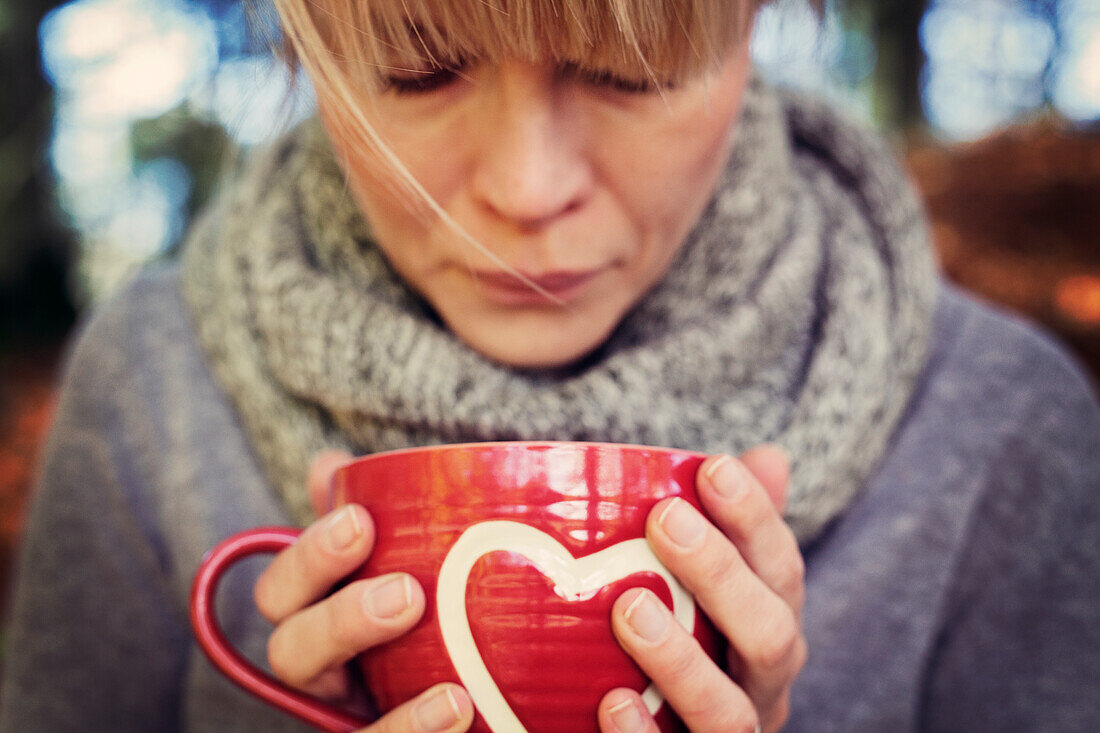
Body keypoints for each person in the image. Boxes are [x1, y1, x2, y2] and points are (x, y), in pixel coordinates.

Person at [2, 0, 1098, 731]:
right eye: (417, 70)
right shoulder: (147, 389)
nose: (526, 193)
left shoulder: (1000, 430)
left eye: (625, 73)